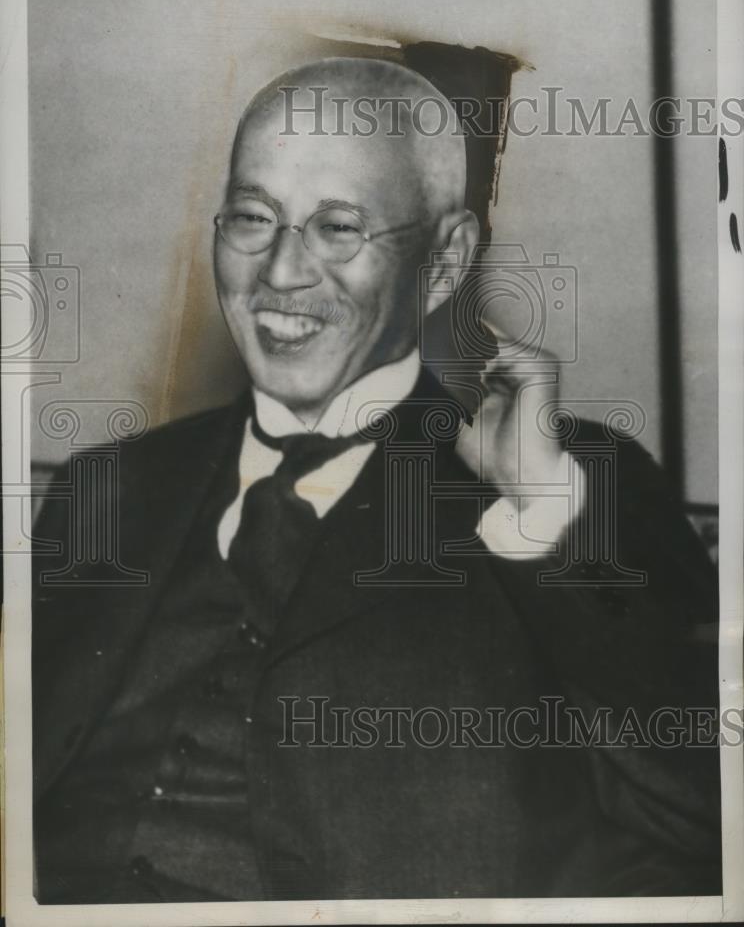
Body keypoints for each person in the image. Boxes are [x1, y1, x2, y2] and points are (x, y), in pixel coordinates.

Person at [32, 58, 721, 903]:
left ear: (446, 257)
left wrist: (541, 524)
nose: (281, 274)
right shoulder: (107, 486)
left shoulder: (570, 489)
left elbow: (708, 821)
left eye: (338, 228)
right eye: (253, 217)